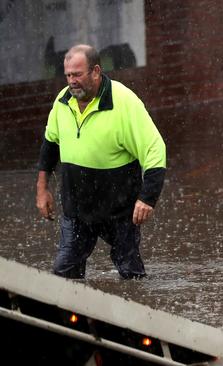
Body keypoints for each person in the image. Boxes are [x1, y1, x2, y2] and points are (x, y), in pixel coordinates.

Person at [36, 44, 166, 279]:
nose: (71, 81)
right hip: (77, 208)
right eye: (67, 75)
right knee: (64, 274)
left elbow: (154, 149)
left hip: (119, 209)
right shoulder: (62, 102)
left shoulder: (123, 101)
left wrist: (147, 198)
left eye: (77, 74)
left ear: (96, 71)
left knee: (131, 275)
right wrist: (42, 189)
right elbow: (50, 145)